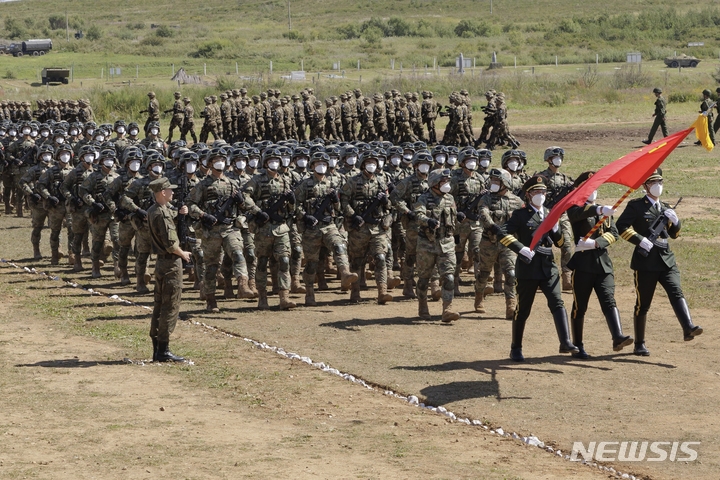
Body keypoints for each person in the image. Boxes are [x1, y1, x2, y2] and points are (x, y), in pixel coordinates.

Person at [615, 168, 703, 356]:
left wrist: (676, 221)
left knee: (676, 291)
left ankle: (688, 327)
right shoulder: (636, 206)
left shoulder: (666, 207)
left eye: (660, 182)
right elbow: (620, 227)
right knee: (643, 303)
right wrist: (640, 240)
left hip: (666, 258)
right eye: (654, 183)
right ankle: (639, 343)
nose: (658, 186)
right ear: (646, 186)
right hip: (645, 261)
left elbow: (674, 234)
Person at [499, 175, 578, 361]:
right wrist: (520, 248)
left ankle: (565, 341)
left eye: (543, 192)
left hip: (548, 266)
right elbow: (503, 233)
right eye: (536, 192)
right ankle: (516, 347)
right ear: (528, 195)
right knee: (523, 308)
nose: (540, 195)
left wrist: (557, 229)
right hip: (528, 267)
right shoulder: (520, 214)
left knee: (557, 302)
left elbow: (559, 244)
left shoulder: (550, 213)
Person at [566, 171, 633, 358]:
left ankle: (617, 336)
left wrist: (598, 242)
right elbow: (574, 216)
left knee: (608, 300)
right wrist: (597, 210)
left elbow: (614, 232)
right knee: (580, 306)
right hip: (583, 265)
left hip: (603, 264)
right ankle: (577, 346)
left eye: (596, 187)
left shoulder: (604, 210)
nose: (594, 191)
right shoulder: (576, 208)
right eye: (590, 187)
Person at [147, 177, 190, 363]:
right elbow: (171, 244)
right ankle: (163, 350)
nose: (173, 193)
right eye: (170, 190)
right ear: (162, 193)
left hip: (162, 263)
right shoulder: (162, 214)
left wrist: (179, 215)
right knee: (170, 306)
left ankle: (158, 349)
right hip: (171, 264)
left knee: (159, 304)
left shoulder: (155, 210)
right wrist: (184, 254)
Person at [413, 168, 459, 322]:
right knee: (424, 278)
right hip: (427, 244)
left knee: (449, 277)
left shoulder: (450, 198)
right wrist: (428, 221)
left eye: (447, 181)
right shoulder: (424, 198)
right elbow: (418, 215)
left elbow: (453, 219)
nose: (446, 183)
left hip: (447, 243)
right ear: (435, 183)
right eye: (443, 181)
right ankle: (423, 306)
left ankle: (447, 309)